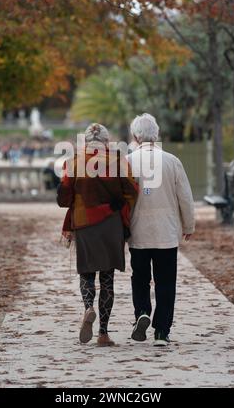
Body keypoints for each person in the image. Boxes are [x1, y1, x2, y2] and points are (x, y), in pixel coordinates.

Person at [57, 123, 138, 347]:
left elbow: (64, 198)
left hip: (84, 223)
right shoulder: (118, 160)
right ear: (105, 141)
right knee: (107, 278)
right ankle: (103, 334)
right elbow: (133, 191)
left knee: (86, 272)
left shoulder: (73, 161)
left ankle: (88, 308)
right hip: (111, 225)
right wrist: (121, 206)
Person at [127, 114, 195, 346]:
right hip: (166, 232)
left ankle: (142, 313)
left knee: (140, 278)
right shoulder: (172, 161)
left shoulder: (128, 161)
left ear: (136, 136)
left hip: (138, 232)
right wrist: (189, 225)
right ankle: (161, 331)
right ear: (156, 135)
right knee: (166, 281)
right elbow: (185, 197)